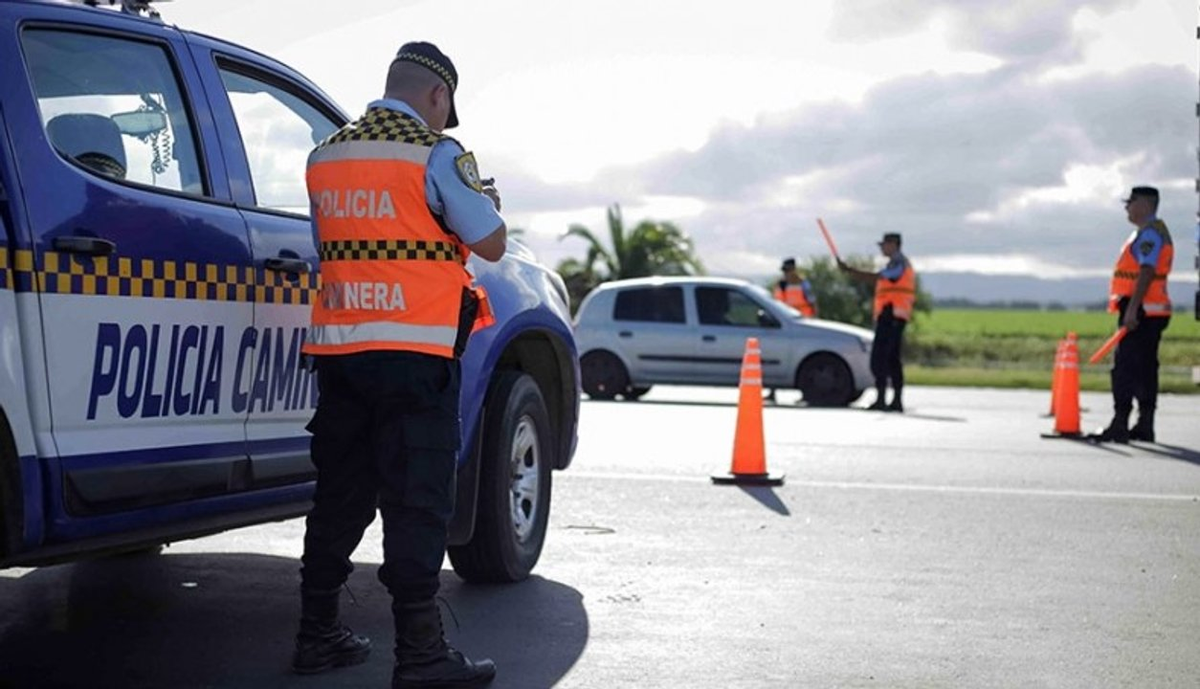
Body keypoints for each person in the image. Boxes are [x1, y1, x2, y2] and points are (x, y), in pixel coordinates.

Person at [293, 41, 504, 689]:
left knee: (340, 495)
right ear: (438, 96)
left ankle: (317, 634)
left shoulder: (323, 156)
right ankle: (421, 654)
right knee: (417, 499)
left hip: (342, 352)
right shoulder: (436, 154)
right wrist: (482, 197)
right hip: (415, 354)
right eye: (445, 109)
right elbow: (490, 242)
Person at [1089, 186, 1173, 444]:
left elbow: (1146, 271)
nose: (1127, 207)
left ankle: (1120, 424)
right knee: (1146, 369)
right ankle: (1144, 425)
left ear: (1145, 205)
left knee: (1125, 369)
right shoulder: (1152, 232)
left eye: (1131, 202)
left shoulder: (1149, 234)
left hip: (1141, 311)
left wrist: (1133, 308)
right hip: (1151, 310)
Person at [837, 233, 916, 413]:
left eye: (884, 244)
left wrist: (850, 271)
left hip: (893, 316)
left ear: (894, 244)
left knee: (885, 358)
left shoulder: (899, 264)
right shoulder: (894, 264)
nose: (881, 248)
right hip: (888, 315)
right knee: (887, 359)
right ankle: (887, 399)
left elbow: (878, 278)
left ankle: (891, 399)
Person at [765, 257, 818, 403]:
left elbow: (813, 304)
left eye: (788, 270)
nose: (786, 274)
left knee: (803, 359)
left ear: (794, 270)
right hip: (783, 326)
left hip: (803, 326)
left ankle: (806, 392)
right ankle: (772, 391)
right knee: (777, 357)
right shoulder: (781, 286)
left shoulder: (804, 285)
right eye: (784, 271)